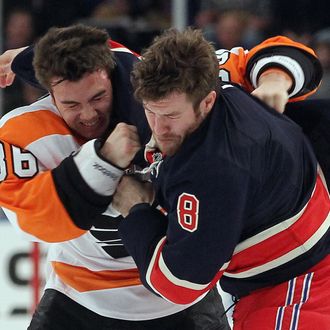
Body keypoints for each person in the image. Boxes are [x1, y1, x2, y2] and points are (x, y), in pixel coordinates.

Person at [0, 24, 322, 329]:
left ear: (112, 77)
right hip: (81, 297)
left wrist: (276, 79)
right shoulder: (26, 130)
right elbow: (38, 219)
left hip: (179, 299)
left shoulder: (158, 88)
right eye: (71, 104)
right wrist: (102, 161)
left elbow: (257, 59)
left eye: (98, 97)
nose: (88, 114)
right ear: (48, 93)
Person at [106, 28, 330, 329]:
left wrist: (137, 212)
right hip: (291, 273)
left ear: (208, 102)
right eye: (150, 111)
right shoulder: (212, 76)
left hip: (300, 289)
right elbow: (286, 51)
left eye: (171, 116)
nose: (159, 129)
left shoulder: (213, 171)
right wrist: (276, 77)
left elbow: (180, 284)